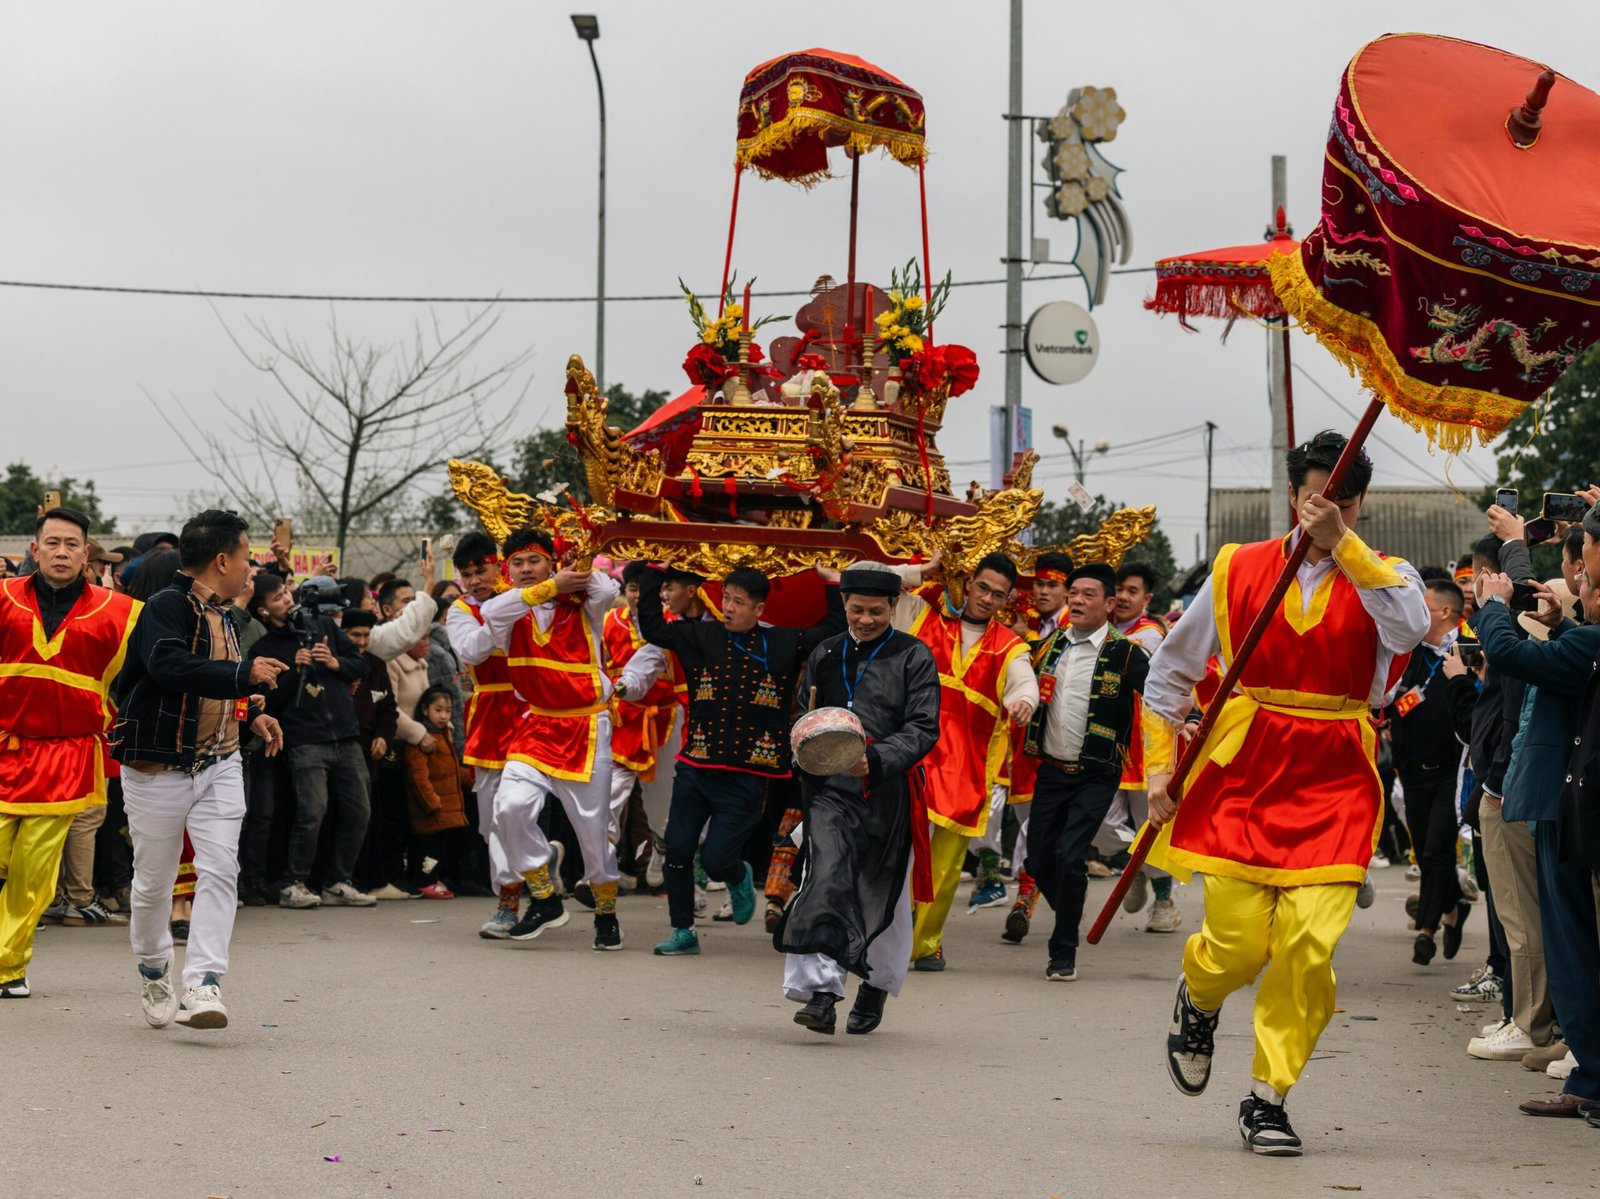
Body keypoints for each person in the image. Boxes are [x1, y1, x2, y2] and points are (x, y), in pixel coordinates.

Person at [1142, 431, 1429, 1155]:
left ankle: (1268, 1097)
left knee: (1307, 946)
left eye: (1343, 501)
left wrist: (1346, 547)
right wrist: (1157, 767)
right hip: (1248, 767)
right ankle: (1199, 995)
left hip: (1337, 775)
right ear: (1295, 495)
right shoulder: (1238, 566)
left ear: (1359, 503)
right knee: (1238, 946)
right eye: (1315, 497)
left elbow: (1410, 630)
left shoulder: (1387, 575)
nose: (1327, 510)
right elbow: (1171, 670)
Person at [112, 510, 288, 1030]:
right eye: (247, 557)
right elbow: (169, 666)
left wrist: (250, 714)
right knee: (154, 883)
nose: (251, 568)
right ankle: (153, 968)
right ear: (222, 560)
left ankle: (203, 983)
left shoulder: (226, 616)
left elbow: (217, 687)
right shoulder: (165, 606)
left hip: (221, 763)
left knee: (221, 869)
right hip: (157, 768)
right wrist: (243, 675)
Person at [638, 563, 843, 957]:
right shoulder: (699, 635)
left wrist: (832, 581)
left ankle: (737, 875)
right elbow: (651, 627)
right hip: (696, 765)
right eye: (726, 599)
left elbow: (833, 635)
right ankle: (683, 931)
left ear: (759, 609)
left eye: (738, 602)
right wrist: (653, 570)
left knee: (717, 859)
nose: (728, 607)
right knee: (677, 850)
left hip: (748, 776)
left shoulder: (783, 642)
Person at [779, 562, 940, 1035]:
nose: (865, 619)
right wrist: (807, 746)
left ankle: (875, 982)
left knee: (881, 890)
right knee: (824, 877)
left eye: (875, 611)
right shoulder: (826, 652)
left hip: (888, 789)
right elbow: (802, 712)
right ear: (843, 605)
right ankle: (822, 993)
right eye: (856, 610)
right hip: (829, 790)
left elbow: (924, 725)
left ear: (894, 606)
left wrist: (878, 758)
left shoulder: (914, 655)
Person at [0, 508, 141, 999]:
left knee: (34, 872)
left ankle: (7, 968)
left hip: (66, 756)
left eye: (72, 544)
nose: (61, 552)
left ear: (86, 553)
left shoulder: (121, 613)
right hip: (2, 745)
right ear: (34, 550)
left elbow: (152, 676)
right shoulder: (1, 599)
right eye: (52, 542)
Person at [879, 553, 1038, 971]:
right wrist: (923, 571)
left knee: (945, 868)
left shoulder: (1009, 646)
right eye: (982, 587)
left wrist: (1024, 700)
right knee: (896, 855)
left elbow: (1024, 681)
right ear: (968, 583)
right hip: (911, 758)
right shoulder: (922, 616)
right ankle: (886, 937)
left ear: (1007, 599)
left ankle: (926, 944)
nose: (987, 598)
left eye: (998, 594)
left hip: (965, 772)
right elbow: (875, 581)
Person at [480, 532, 624, 949]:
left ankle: (606, 914)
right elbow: (490, 610)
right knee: (509, 807)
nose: (526, 569)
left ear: (552, 563)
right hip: (537, 725)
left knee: (593, 831)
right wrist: (549, 586)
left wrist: (577, 558)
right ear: (507, 570)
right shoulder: (508, 610)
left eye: (535, 560)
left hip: (586, 726)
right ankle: (544, 897)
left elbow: (606, 588)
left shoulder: (584, 605)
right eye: (517, 562)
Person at [1017, 562, 1152, 981]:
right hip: (1051, 770)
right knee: (1039, 860)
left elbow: (1160, 691)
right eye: (1073, 592)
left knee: (1070, 855)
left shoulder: (1126, 652)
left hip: (1097, 773)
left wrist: (1191, 716)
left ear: (1109, 604)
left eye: (1088, 594)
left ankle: (1063, 953)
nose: (1076, 600)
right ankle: (1069, 914)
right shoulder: (1048, 646)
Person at [250, 576, 374, 910]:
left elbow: (361, 664)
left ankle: (338, 881)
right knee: (312, 812)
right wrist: (294, 670)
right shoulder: (264, 649)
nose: (287, 599)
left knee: (359, 810)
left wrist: (335, 662)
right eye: (278, 597)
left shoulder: (323, 625)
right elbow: (268, 703)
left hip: (345, 734)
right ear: (263, 610)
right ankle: (294, 882)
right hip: (304, 739)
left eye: (286, 592)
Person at [1383, 580, 1476, 965]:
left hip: (1452, 771)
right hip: (1412, 768)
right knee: (1425, 850)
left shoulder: (1470, 649)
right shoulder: (1408, 653)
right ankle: (1453, 907)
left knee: (1438, 848)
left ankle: (1426, 929)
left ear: (1445, 612)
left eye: (1423, 608)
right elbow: (1388, 699)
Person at [443, 531, 525, 936]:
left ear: (499, 565)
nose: (476, 580)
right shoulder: (460, 611)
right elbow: (472, 651)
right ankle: (510, 899)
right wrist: (504, 609)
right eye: (467, 573)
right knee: (492, 818)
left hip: (537, 709)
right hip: (491, 714)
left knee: (528, 809)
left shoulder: (528, 595)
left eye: (483, 570)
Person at [1104, 561, 1182, 934]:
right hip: (1105, 741)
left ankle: (1164, 902)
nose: (1122, 597)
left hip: (1144, 744)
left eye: (1131, 591)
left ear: (1146, 599)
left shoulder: (1149, 634)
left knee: (1151, 825)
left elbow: (1126, 657)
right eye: (1117, 589)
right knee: (1102, 825)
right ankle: (1135, 862)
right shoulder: (1099, 626)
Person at [1001, 551, 1072, 943]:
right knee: (1030, 821)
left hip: (1065, 741)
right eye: (1039, 584)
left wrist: (1023, 639)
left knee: (1107, 830)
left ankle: (1150, 879)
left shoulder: (1076, 625)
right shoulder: (1020, 618)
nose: (1043, 591)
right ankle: (1025, 896)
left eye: (1052, 585)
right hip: (1023, 739)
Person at [603, 562, 682, 874]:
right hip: (623, 719)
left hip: (666, 720)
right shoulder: (609, 622)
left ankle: (662, 847)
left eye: (644, 589)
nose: (637, 596)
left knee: (663, 801)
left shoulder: (672, 624)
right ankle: (600, 866)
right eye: (632, 589)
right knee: (610, 791)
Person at [403, 685, 475, 899]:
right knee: (429, 849)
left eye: (448, 711)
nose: (443, 716)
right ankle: (424, 881)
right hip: (433, 809)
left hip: (447, 808)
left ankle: (432, 879)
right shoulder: (423, 739)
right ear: (425, 709)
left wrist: (474, 781)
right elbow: (418, 775)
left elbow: (451, 770)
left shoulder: (444, 735)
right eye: (438, 710)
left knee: (441, 847)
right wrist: (432, 802)